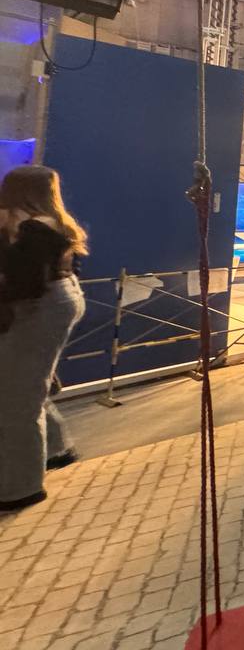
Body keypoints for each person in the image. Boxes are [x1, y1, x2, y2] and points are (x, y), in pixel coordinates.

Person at [0, 166, 88, 511]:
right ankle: (56, 449)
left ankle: (22, 488)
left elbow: (23, 283)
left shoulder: (35, 228)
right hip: (59, 299)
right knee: (23, 381)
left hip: (42, 306)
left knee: (17, 398)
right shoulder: (54, 222)